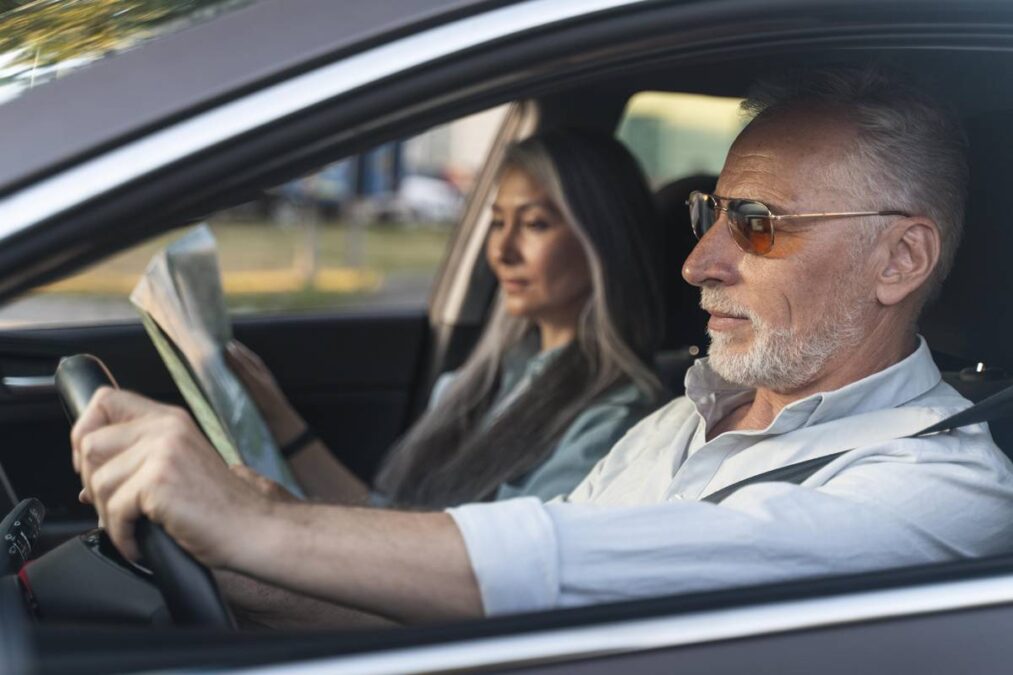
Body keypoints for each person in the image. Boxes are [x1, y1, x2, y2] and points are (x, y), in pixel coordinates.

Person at [72, 65, 1013, 625]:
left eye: (756, 223)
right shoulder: (672, 424)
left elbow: (580, 562)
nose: (696, 262)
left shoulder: (945, 491)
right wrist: (221, 564)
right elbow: (464, 603)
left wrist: (263, 522)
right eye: (709, 214)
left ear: (900, 258)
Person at [227, 128, 667, 508]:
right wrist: (277, 417)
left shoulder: (615, 420)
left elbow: (499, 570)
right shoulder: (481, 381)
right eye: (497, 223)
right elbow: (392, 522)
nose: (502, 251)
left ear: (602, 241)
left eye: (534, 224)